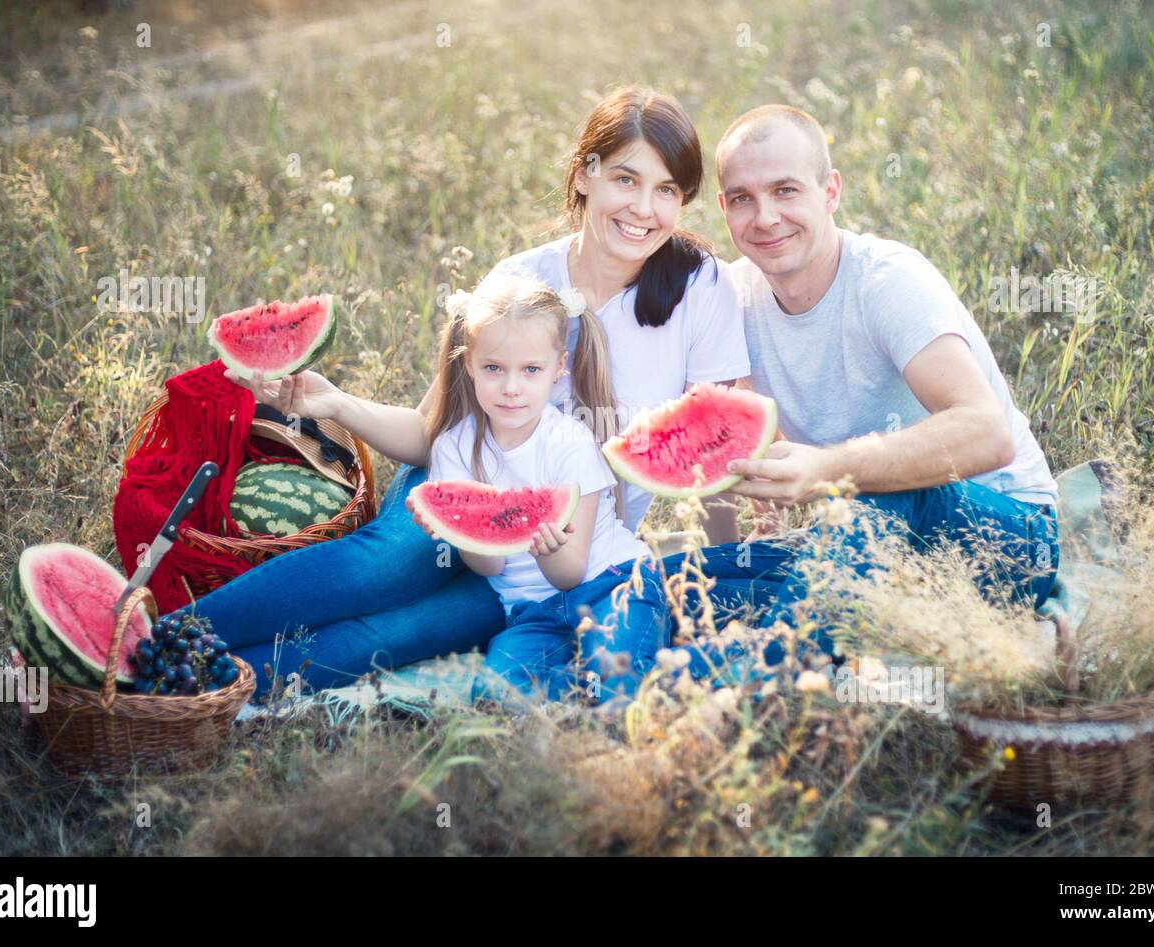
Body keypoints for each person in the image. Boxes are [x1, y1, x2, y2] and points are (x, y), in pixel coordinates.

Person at [156, 85, 749, 697]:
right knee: (385, 566)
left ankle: (188, 687)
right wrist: (335, 403)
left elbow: (706, 452)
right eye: (626, 180)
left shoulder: (700, 289)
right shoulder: (521, 281)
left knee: (385, 639)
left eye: (667, 190)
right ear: (582, 178)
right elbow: (429, 431)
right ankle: (153, 641)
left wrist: (722, 581)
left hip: (553, 561)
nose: (644, 208)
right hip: (467, 474)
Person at [664, 104, 1060, 678]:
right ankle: (729, 648)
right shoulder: (730, 296)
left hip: (1005, 537)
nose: (766, 216)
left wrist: (827, 468)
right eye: (743, 198)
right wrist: (717, 564)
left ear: (831, 192)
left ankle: (740, 674)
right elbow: (722, 449)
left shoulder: (888, 280)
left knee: (884, 490)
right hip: (863, 543)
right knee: (665, 584)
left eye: (785, 190)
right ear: (724, 208)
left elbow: (987, 432)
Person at [410, 275, 665, 710]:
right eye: (494, 368)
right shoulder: (451, 447)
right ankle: (593, 688)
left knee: (615, 680)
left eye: (531, 370)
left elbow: (569, 571)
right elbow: (489, 565)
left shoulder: (570, 443)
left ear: (558, 368)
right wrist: (459, 529)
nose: (512, 387)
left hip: (616, 582)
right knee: (495, 696)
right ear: (469, 363)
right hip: (532, 614)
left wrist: (546, 550)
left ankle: (622, 690)